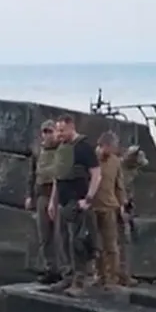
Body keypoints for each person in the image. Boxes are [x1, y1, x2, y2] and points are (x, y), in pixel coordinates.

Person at [47, 114, 102, 293]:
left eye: (62, 130)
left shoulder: (84, 147)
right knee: (62, 240)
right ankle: (67, 277)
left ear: (72, 127)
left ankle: (80, 281)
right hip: (63, 202)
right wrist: (52, 202)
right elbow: (58, 176)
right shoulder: (62, 148)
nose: (60, 134)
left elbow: (96, 174)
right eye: (58, 131)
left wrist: (88, 198)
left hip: (77, 201)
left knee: (77, 242)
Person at [24, 120, 68, 283]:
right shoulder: (38, 151)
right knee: (44, 235)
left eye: (50, 131)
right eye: (45, 131)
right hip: (42, 193)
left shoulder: (62, 150)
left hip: (57, 195)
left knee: (59, 235)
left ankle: (65, 270)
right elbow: (32, 175)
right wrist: (29, 195)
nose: (47, 134)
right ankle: (51, 269)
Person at [91, 131, 129, 286]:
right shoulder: (91, 159)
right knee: (96, 245)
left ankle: (112, 277)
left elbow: (119, 185)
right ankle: (100, 276)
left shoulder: (116, 162)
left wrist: (122, 205)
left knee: (111, 245)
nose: (115, 150)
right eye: (113, 147)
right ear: (105, 146)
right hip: (92, 206)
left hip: (109, 207)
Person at [116, 144, 147, 285]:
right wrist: (122, 208)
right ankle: (117, 274)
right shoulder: (119, 169)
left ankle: (123, 274)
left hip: (127, 206)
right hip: (116, 206)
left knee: (125, 242)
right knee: (118, 242)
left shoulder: (132, 172)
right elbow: (118, 190)